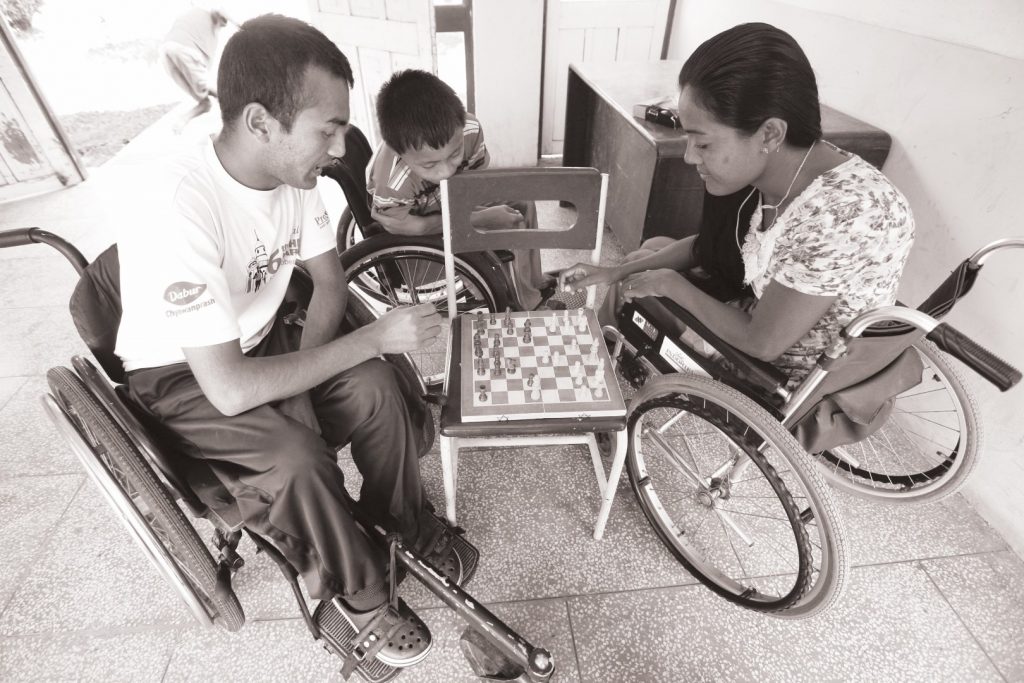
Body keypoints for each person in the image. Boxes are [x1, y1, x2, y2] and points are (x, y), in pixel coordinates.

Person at [117, 15, 460, 669]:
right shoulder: (178, 202)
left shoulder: (300, 182)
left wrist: (314, 379)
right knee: (298, 456)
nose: (339, 147)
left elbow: (330, 289)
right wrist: (368, 343)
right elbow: (227, 386)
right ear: (260, 122)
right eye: (326, 129)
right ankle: (357, 594)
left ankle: (401, 524)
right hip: (182, 375)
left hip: (262, 337)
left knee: (377, 387)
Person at [560, 22, 915, 387]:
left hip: (778, 373)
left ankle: (597, 367)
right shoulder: (788, 171)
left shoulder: (838, 214)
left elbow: (762, 343)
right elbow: (710, 246)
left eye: (703, 143)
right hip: (765, 311)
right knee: (647, 254)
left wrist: (668, 284)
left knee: (637, 292)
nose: (687, 157)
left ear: (770, 133)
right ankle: (601, 344)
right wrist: (613, 271)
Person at [367, 69, 556, 310]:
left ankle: (532, 281)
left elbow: (472, 184)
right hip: (414, 230)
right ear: (400, 154)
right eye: (430, 165)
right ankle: (524, 305)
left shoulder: (470, 130)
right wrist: (479, 218)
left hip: (446, 201)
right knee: (501, 226)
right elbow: (408, 227)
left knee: (522, 203)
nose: (446, 171)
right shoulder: (393, 182)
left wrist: (478, 209)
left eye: (454, 153)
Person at [158, 6, 230, 133]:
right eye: (222, 23)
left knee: (205, 103)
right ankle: (240, 114)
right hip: (185, 49)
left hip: (167, 52)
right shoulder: (208, 16)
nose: (221, 27)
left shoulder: (195, 19)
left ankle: (182, 120)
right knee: (213, 90)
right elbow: (218, 9)